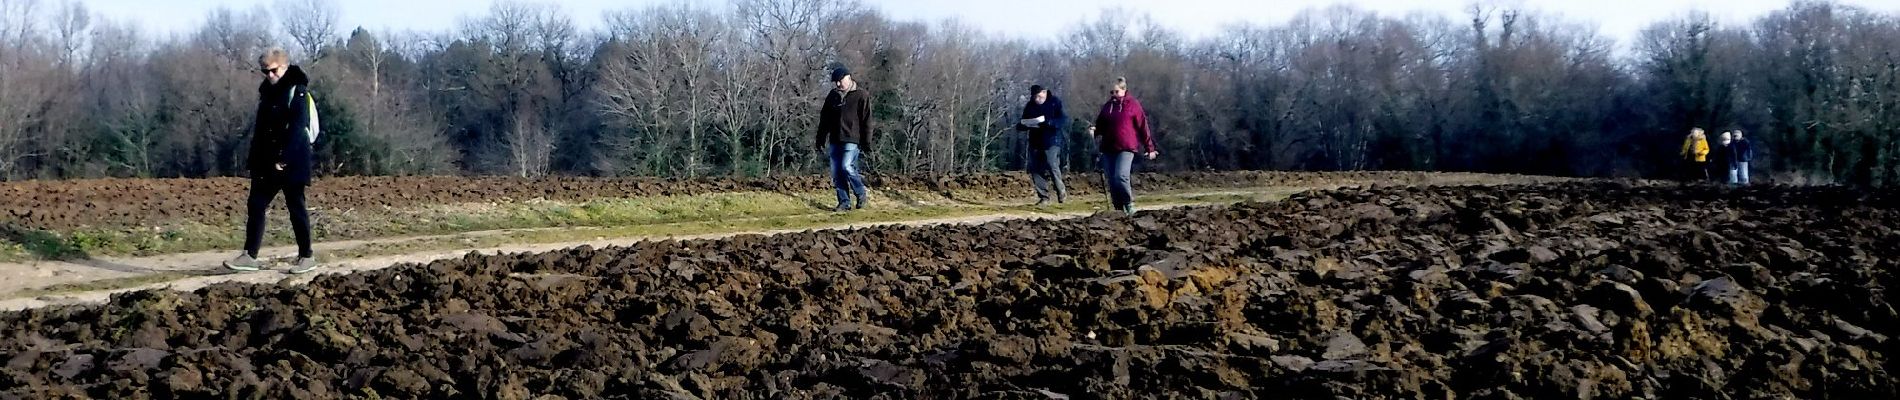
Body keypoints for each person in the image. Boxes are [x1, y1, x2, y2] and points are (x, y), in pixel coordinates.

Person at [224, 47, 318, 274]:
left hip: (292, 161)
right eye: (265, 72)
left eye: (273, 71)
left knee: (296, 207)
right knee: (256, 204)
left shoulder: (298, 91)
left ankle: (307, 256)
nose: (269, 75)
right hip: (267, 162)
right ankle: (249, 256)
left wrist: (284, 159)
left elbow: (298, 129)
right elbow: (261, 131)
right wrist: (255, 160)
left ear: (284, 67)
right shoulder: (266, 93)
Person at [1088, 77, 1158, 215]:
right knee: (1111, 179)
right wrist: (1094, 131)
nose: (1114, 95)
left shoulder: (1133, 105)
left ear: (1124, 90)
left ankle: (1128, 203)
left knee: (1121, 176)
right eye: (1112, 92)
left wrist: (1150, 148)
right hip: (1108, 148)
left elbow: (1143, 126)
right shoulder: (1108, 107)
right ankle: (1118, 209)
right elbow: (1101, 126)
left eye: (1116, 92)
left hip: (1127, 147)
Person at [817, 66, 872, 212]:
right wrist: (820, 138)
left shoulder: (861, 95)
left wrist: (866, 141)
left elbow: (866, 120)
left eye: (840, 81)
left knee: (847, 166)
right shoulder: (832, 96)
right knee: (837, 172)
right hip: (835, 139)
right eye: (836, 82)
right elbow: (825, 119)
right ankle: (844, 202)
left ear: (848, 77)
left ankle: (860, 193)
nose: (838, 84)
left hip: (852, 139)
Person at [1016, 85, 1069, 206]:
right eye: (1035, 97)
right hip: (1035, 141)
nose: (1037, 99)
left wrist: (1050, 123)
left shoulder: (1054, 103)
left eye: (1039, 96)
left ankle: (1061, 191)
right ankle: (1044, 197)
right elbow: (1022, 122)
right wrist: (1024, 125)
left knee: (1052, 164)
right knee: (1035, 169)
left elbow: (1063, 119)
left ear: (1045, 93)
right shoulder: (1030, 106)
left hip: (1052, 140)